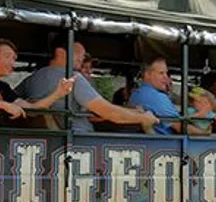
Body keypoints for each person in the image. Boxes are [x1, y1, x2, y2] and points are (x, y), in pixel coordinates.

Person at [18, 37, 158, 134]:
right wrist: (143, 118)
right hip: (79, 141)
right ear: (60, 52)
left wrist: (132, 112)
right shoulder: (73, 78)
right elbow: (107, 112)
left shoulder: (31, 79)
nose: (82, 57)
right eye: (78, 53)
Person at [0, 38, 74, 127]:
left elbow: (32, 109)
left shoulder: (4, 88)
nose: (12, 63)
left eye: (14, 59)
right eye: (7, 57)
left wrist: (58, 94)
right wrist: (5, 105)